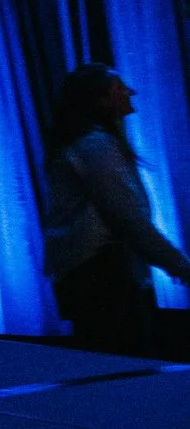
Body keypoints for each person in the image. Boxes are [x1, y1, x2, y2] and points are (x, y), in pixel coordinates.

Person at [41, 64, 190, 356]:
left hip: (94, 271)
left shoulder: (88, 145)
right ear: (100, 99)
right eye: (118, 87)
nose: (129, 91)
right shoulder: (96, 147)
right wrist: (179, 264)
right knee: (119, 358)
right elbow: (127, 218)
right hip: (103, 273)